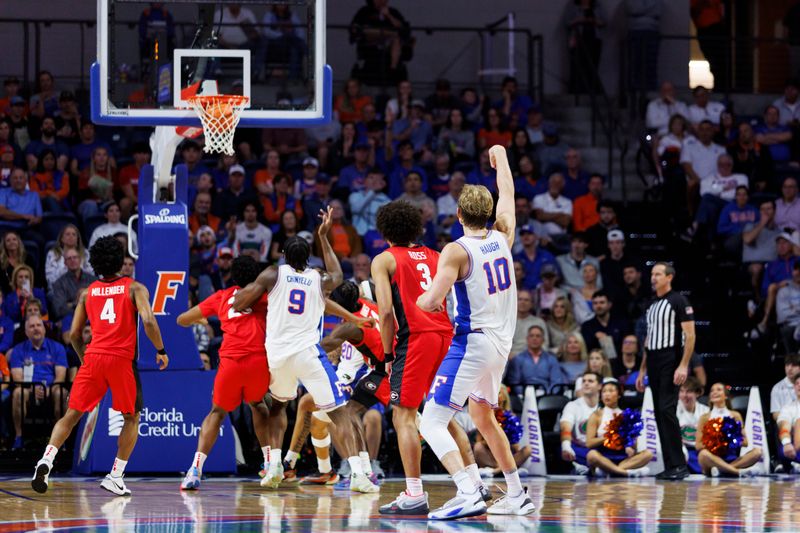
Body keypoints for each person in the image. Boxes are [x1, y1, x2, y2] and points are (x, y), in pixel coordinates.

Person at [417, 144, 534, 518]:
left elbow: (431, 300)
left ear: (457, 214)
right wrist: (501, 156)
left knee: (430, 420)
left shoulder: (456, 250)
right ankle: (515, 493)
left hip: (473, 342)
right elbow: (509, 193)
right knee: (482, 416)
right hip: (500, 346)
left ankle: (468, 491)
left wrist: (415, 297)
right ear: (488, 213)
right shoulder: (504, 235)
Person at [231, 207, 377, 493]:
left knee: (278, 407)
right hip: (308, 354)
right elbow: (337, 272)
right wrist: (324, 236)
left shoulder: (272, 274)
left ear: (284, 255)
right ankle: (359, 475)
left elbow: (238, 303)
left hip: (277, 354)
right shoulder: (317, 278)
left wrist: (250, 299)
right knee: (338, 412)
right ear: (308, 257)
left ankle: (274, 465)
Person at [30, 237, 169, 495]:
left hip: (93, 357)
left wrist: (85, 360)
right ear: (120, 262)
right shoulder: (135, 288)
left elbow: (72, 335)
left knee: (71, 416)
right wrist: (161, 350)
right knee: (132, 417)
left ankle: (46, 460)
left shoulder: (87, 292)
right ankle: (115, 476)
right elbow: (149, 321)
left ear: (94, 263)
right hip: (120, 360)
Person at [370, 200, 472, 515]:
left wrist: (387, 353)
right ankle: (474, 482)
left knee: (403, 416)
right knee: (443, 415)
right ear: (418, 227)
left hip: (415, 340)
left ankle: (414, 493)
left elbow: (385, 313)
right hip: (446, 335)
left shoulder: (384, 259)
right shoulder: (438, 255)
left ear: (385, 231)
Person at [177, 256, 271, 490]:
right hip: (257, 359)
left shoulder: (221, 297)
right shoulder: (265, 296)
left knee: (217, 412)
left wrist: (207, 316)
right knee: (258, 405)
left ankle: (195, 469)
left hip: (230, 361)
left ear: (233, 276)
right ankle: (270, 465)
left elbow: (182, 320)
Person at [636, 262, 696, 480]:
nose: (653, 278)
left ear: (669, 277)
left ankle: (679, 464)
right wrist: (642, 370)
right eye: (652, 274)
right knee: (660, 412)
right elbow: (649, 339)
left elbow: (690, 335)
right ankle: (671, 465)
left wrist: (683, 364)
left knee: (667, 409)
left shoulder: (679, 300)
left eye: (658, 274)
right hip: (653, 358)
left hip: (670, 358)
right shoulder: (651, 304)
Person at [9, 315, 68, 451]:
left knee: (62, 392)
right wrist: (32, 390)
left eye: (38, 325)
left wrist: (48, 389)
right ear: (26, 332)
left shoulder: (57, 348)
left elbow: (60, 376)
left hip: (51, 388)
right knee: (18, 393)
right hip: (28, 389)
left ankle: (60, 439)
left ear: (44, 329)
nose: (36, 329)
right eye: (31, 326)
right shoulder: (18, 350)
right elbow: (18, 378)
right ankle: (19, 437)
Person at [585, 380, 652, 477]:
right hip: (603, 456)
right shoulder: (596, 415)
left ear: (619, 395)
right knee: (591, 455)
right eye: (604, 391)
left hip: (623, 458)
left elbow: (634, 446)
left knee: (648, 454)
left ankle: (610, 471)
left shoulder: (626, 415)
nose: (607, 394)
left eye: (611, 391)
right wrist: (609, 436)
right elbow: (589, 443)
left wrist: (630, 445)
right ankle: (625, 473)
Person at [696, 382, 764, 477]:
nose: (714, 392)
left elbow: (745, 442)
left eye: (719, 390)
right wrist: (714, 441)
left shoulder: (735, 415)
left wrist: (729, 440)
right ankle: (737, 472)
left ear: (726, 396)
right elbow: (698, 446)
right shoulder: (704, 417)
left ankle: (723, 470)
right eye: (712, 390)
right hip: (712, 460)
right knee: (703, 455)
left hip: (731, 459)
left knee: (757, 452)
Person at [561, 371, 601, 473]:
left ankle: (593, 468)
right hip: (579, 447)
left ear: (600, 386)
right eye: (584, 381)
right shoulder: (572, 405)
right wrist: (566, 446)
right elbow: (565, 427)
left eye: (590, 381)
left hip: (600, 447)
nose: (586, 383)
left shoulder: (604, 406)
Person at [506, 325, 563, 395]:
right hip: (523, 397)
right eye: (531, 336)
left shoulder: (552, 359)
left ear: (543, 340)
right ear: (527, 339)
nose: (534, 338)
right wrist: (525, 394)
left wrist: (548, 394)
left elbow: (556, 382)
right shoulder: (518, 359)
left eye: (538, 336)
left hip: (546, 397)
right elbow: (514, 382)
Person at [49, 249, 97, 321]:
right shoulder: (59, 284)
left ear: (80, 260)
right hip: (70, 320)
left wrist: (71, 304)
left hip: (91, 318)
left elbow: (99, 304)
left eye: (75, 257)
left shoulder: (93, 280)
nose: (72, 260)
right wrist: (78, 303)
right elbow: (59, 310)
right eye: (69, 258)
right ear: (65, 262)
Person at [581, 290, 629, 357]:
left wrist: (606, 340)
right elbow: (586, 348)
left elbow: (626, 344)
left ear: (609, 305)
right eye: (595, 303)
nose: (598, 306)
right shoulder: (587, 326)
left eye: (602, 302)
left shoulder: (621, 323)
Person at [677, 377, 709, 474]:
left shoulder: (706, 411)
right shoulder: (673, 409)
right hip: (682, 449)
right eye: (681, 391)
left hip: (700, 449)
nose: (684, 395)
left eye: (689, 392)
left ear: (697, 393)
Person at [511, 289, 550, 357]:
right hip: (510, 358)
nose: (523, 302)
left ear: (531, 304)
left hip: (533, 358)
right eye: (520, 299)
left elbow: (545, 345)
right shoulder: (506, 322)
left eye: (526, 300)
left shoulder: (539, 322)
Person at [777, 373, 800, 473]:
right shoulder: (788, 408)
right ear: (794, 387)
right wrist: (786, 443)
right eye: (797, 383)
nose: (799, 386)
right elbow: (784, 427)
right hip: (796, 449)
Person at [771, 353, 800, 421]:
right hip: (787, 425)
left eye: (794, 365)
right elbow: (775, 414)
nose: (789, 368)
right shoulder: (777, 388)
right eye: (787, 365)